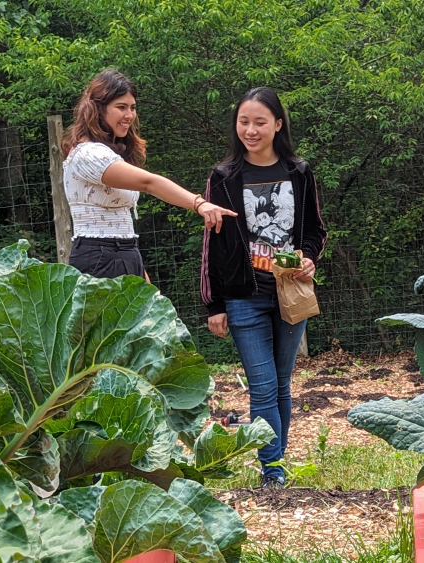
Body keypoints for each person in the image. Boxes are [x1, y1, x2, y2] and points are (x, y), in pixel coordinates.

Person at [201, 87, 327, 489]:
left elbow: (314, 231)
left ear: (277, 124)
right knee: (262, 385)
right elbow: (213, 246)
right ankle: (271, 470)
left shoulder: (299, 172)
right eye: (243, 122)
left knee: (281, 382)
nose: (250, 130)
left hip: (291, 293)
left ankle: (277, 460)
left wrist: (308, 257)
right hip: (243, 296)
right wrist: (213, 303)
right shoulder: (223, 178)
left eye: (259, 122)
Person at [62, 68, 236, 279]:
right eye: (121, 107)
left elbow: (119, 226)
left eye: (133, 108)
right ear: (98, 109)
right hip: (101, 258)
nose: (129, 115)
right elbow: (149, 183)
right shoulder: (89, 154)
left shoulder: (105, 153)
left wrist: (141, 273)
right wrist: (200, 204)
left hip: (121, 254)